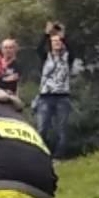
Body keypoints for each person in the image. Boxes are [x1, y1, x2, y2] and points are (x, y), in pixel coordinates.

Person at [35, 29, 73, 158]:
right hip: (45, 96)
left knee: (62, 130)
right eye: (54, 41)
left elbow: (72, 48)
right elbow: (39, 48)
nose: (56, 43)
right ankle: (40, 155)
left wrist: (64, 36)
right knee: (42, 129)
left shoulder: (68, 57)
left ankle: (59, 157)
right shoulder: (45, 57)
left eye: (59, 41)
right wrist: (46, 33)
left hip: (62, 97)